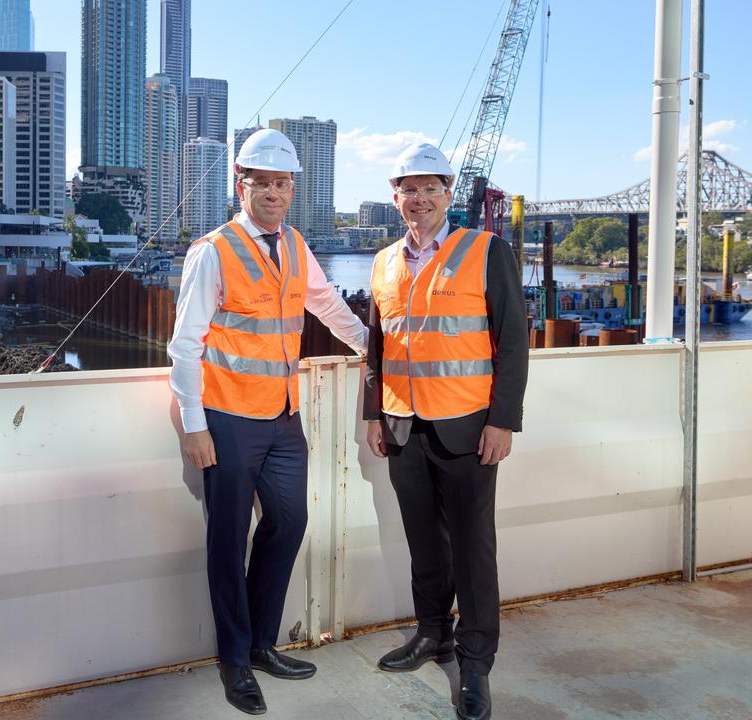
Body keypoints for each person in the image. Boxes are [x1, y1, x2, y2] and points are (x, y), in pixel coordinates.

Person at [168, 127, 368, 716]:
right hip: (227, 419)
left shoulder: (295, 245)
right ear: (241, 184)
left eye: (284, 183)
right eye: (264, 182)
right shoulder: (214, 250)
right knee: (227, 541)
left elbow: (326, 303)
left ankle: (261, 643)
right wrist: (195, 425)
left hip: (283, 416)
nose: (276, 192)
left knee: (288, 521)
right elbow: (184, 346)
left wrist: (370, 348)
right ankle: (235, 661)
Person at [363, 144, 528, 720]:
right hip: (404, 425)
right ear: (395, 197)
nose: (419, 198)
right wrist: (372, 415)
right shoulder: (384, 261)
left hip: (467, 426)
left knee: (474, 548)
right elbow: (378, 346)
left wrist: (503, 420)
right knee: (425, 543)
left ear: (448, 194)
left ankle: (476, 661)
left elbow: (512, 341)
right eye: (409, 189)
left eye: (430, 188)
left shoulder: (487, 250)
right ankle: (432, 633)